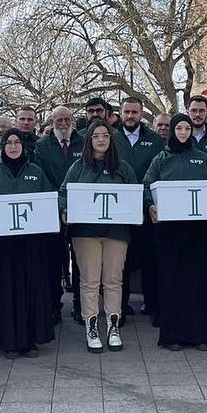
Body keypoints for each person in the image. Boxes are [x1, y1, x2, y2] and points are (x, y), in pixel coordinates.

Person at [144, 114, 207, 351]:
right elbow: (146, 186)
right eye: (179, 128)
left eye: (187, 128)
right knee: (174, 282)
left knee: (201, 282)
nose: (183, 132)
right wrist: (149, 205)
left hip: (201, 232)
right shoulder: (161, 159)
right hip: (171, 233)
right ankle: (174, 335)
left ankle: (203, 334)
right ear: (172, 131)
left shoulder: (203, 159)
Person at [59, 119, 138, 353]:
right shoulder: (78, 167)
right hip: (85, 232)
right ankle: (91, 327)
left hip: (116, 232)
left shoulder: (123, 168)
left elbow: (135, 194)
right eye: (96, 136)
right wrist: (64, 210)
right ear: (89, 140)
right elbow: (64, 192)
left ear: (111, 140)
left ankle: (113, 327)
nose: (101, 140)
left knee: (113, 280)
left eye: (105, 135)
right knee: (89, 281)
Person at [0, 129, 56, 358]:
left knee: (30, 289)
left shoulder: (36, 172)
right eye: (8, 143)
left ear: (23, 145)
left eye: (17, 142)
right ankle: (8, 341)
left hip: (30, 244)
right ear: (2, 147)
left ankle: (29, 340)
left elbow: (49, 198)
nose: (13, 146)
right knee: (6, 291)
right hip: (2, 246)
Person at [112, 97, 165, 320]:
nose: (130, 116)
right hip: (119, 209)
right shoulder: (111, 137)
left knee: (150, 259)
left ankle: (153, 305)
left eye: (135, 112)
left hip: (146, 209)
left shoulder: (154, 140)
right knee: (120, 261)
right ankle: (120, 307)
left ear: (142, 114)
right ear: (121, 113)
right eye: (127, 112)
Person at [36, 106, 85, 323]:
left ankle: (80, 304)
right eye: (59, 120)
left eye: (67, 119)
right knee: (53, 260)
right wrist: (58, 202)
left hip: (81, 209)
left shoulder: (82, 142)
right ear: (52, 121)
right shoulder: (42, 146)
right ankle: (53, 305)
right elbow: (41, 176)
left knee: (81, 259)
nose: (63, 124)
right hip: (52, 210)